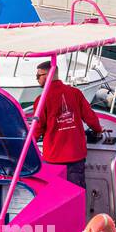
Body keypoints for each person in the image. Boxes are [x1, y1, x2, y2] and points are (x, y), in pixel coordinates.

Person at [30, 61, 102, 190]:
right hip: (76, 155)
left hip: (53, 157)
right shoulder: (75, 93)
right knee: (75, 193)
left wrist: (28, 147)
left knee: (55, 195)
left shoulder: (41, 100)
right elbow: (91, 118)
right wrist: (98, 130)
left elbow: (37, 129)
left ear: (47, 76)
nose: (37, 79)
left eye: (38, 76)